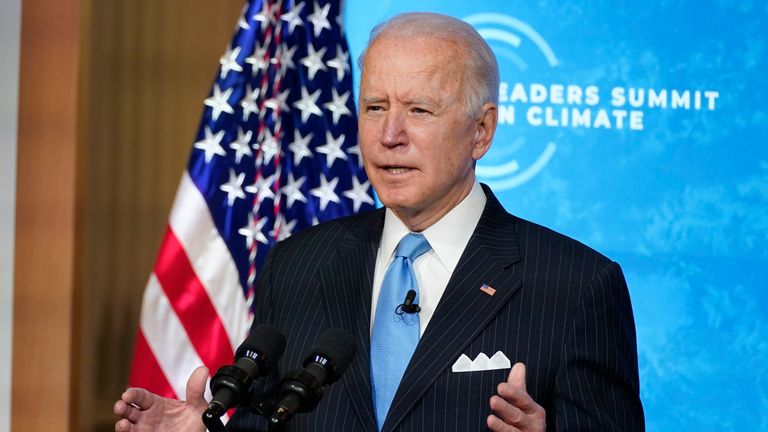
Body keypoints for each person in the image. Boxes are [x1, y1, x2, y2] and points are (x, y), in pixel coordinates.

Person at [114, 12, 644, 432]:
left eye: (419, 110)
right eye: (374, 107)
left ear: (481, 132)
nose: (390, 135)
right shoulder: (297, 264)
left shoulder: (576, 286)